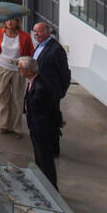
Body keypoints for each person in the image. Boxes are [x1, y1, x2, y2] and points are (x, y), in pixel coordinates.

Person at [20, 56, 61, 189]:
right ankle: (41, 184)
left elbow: (51, 106)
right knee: (39, 158)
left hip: (42, 128)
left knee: (45, 160)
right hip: (35, 127)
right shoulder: (33, 81)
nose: (19, 70)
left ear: (29, 71)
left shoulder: (41, 87)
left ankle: (51, 189)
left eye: (21, 68)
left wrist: (57, 121)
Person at [0, 17, 33, 135]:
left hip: (18, 69)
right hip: (2, 67)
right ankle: (3, 125)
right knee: (3, 96)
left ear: (18, 22)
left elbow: (30, 54)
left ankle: (16, 126)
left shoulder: (25, 36)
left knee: (17, 98)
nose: (10, 22)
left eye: (13, 20)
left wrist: (29, 71)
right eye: (8, 20)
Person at [31, 22, 70, 155]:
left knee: (50, 123)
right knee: (41, 122)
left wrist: (59, 92)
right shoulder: (40, 46)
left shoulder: (56, 50)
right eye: (35, 31)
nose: (36, 34)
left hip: (50, 93)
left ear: (48, 32)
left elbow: (64, 74)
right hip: (38, 91)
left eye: (40, 31)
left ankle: (53, 150)